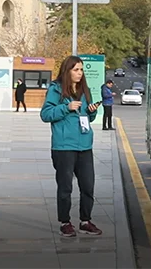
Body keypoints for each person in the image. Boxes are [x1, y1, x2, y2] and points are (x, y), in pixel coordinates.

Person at [40, 55, 103, 238]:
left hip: (84, 145)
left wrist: (92, 111)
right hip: (64, 147)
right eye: (76, 70)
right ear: (67, 71)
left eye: (81, 69)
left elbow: (87, 118)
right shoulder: (56, 89)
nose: (80, 73)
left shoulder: (84, 90)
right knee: (65, 187)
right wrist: (65, 108)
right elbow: (45, 114)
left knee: (88, 185)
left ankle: (85, 221)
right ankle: (65, 222)